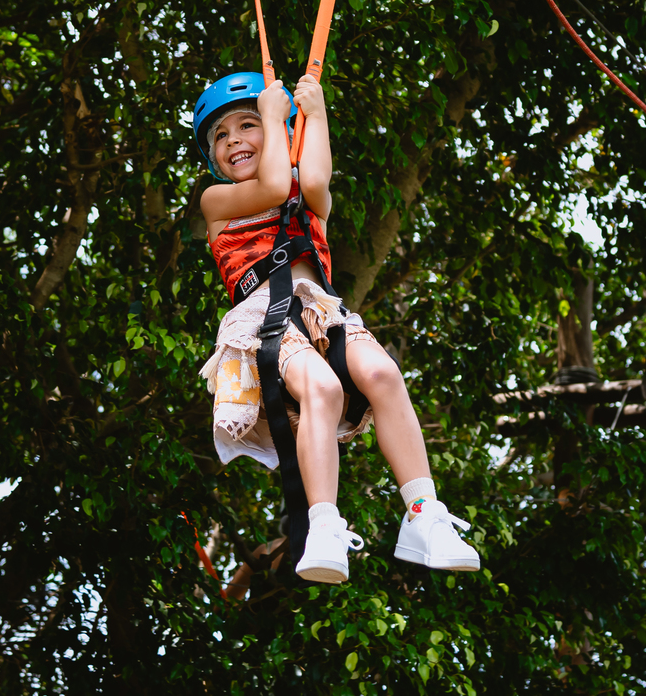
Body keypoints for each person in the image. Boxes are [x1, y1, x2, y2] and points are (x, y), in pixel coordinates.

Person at [195, 70, 481, 585]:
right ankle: (323, 523)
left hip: (320, 312)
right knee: (321, 389)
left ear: (281, 139)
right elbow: (276, 184)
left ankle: (423, 513)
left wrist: (316, 115)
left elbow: (313, 182)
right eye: (221, 135)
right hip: (262, 317)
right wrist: (275, 118)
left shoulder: (306, 201)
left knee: (383, 374)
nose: (234, 139)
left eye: (247, 125)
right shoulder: (217, 201)